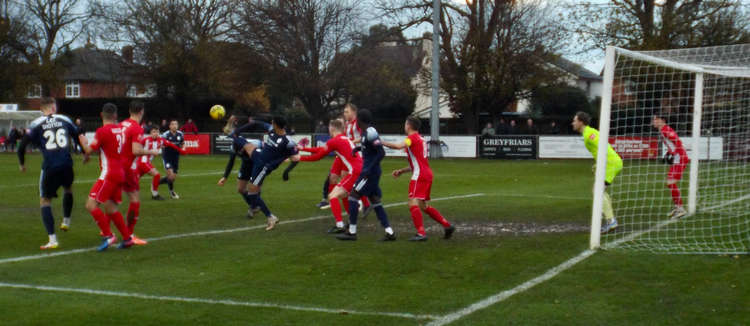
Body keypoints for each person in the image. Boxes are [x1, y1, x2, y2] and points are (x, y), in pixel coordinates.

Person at [17, 97, 86, 250]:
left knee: (45, 201)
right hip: (67, 164)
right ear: (54, 108)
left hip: (50, 166)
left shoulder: (36, 123)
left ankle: (52, 240)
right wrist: (83, 153)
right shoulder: (64, 119)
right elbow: (77, 134)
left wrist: (22, 164)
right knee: (68, 189)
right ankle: (66, 220)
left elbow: (21, 146)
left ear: (42, 109)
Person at [383, 116, 456, 241]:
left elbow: (398, 146)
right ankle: (447, 226)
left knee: (412, 202)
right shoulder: (421, 139)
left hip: (420, 175)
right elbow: (418, 162)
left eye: (405, 124)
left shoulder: (411, 138)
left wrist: (381, 142)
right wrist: (401, 171)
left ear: (409, 126)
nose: (404, 126)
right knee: (423, 205)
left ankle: (421, 233)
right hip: (426, 173)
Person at [223, 115, 301, 230]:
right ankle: (232, 132)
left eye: (272, 122)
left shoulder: (288, 142)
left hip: (263, 167)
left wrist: (286, 171)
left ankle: (270, 217)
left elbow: (296, 158)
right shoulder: (272, 130)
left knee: (252, 192)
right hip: (258, 155)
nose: (271, 124)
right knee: (239, 140)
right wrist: (239, 131)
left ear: (275, 124)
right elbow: (256, 123)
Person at [80, 103, 135, 251]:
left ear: (101, 115)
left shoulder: (102, 131)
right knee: (111, 209)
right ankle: (127, 238)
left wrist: (82, 141)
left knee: (90, 205)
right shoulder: (122, 130)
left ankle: (108, 235)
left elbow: (89, 150)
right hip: (120, 173)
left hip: (109, 174)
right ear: (115, 115)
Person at [336, 109, 396, 241]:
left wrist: (368, 168)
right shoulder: (365, 132)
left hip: (370, 173)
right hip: (370, 171)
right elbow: (369, 148)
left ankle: (352, 232)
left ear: (359, 120)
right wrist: (357, 149)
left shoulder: (370, 132)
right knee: (375, 201)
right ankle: (390, 232)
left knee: (353, 196)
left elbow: (381, 153)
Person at [298, 119, 363, 234]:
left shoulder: (335, 141)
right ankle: (351, 221)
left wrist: (300, 158)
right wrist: (303, 149)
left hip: (354, 171)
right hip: (359, 169)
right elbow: (321, 150)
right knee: (344, 195)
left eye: (329, 127)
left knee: (333, 195)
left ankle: (340, 225)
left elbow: (318, 156)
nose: (328, 129)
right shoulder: (343, 138)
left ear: (332, 128)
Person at [571, 111, 623, 234]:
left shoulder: (589, 134)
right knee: (599, 191)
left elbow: (602, 147)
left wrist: (602, 163)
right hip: (609, 162)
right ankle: (611, 220)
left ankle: (611, 221)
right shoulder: (588, 133)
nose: (572, 123)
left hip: (610, 163)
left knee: (597, 191)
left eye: (574, 120)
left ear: (580, 122)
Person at [120, 101, 161, 245]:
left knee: (111, 199)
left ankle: (105, 231)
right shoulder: (136, 128)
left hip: (115, 166)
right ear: (142, 111)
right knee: (135, 200)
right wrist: (151, 151)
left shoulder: (122, 124)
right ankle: (129, 235)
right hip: (128, 168)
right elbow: (136, 150)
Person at [652, 114, 689, 219]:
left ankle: (681, 209)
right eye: (653, 119)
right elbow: (672, 145)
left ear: (662, 120)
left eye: (656, 119)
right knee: (670, 183)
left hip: (680, 158)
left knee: (670, 182)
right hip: (678, 158)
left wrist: (675, 155)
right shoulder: (662, 130)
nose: (654, 121)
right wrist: (669, 153)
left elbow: (678, 143)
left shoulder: (666, 130)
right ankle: (678, 207)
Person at [218, 134, 263, 218]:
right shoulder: (233, 148)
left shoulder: (256, 143)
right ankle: (255, 205)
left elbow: (267, 151)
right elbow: (231, 162)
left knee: (254, 188)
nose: (241, 150)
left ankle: (253, 208)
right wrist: (225, 177)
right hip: (245, 165)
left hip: (256, 164)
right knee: (240, 189)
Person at [137, 127, 185, 200]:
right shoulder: (145, 140)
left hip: (146, 162)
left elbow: (171, 145)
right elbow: (136, 147)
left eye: (157, 132)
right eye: (153, 132)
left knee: (133, 179)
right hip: (142, 161)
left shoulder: (161, 140)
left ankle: (117, 188)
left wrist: (181, 151)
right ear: (150, 133)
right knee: (157, 175)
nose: (155, 133)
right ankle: (155, 195)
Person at [160, 119, 185, 199]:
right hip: (167, 157)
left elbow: (182, 143)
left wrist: (183, 148)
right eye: (173, 124)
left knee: (172, 178)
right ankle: (172, 193)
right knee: (170, 176)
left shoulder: (180, 134)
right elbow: (161, 144)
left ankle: (156, 182)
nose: (174, 126)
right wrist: (163, 146)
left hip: (176, 158)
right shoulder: (165, 134)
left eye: (176, 124)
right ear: (170, 126)